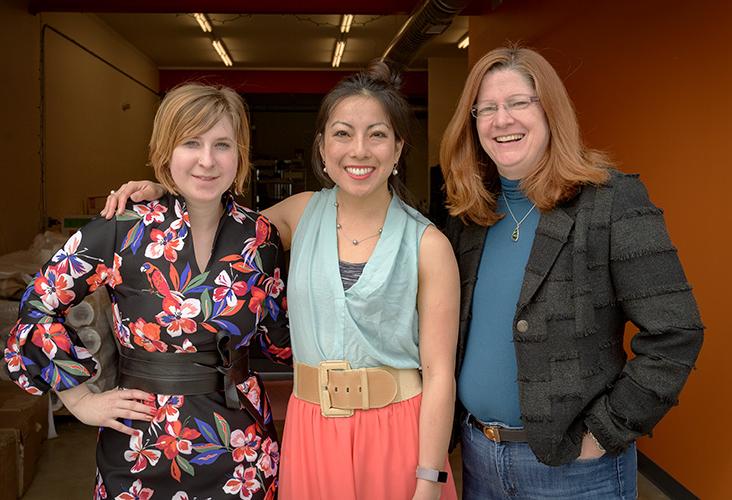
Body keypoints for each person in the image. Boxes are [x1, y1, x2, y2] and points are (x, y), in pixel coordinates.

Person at [103, 61, 460, 500]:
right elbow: (214, 227)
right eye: (343, 133)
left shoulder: (429, 244)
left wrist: (429, 479)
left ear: (399, 148)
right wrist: (168, 190)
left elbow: (441, 375)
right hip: (313, 433)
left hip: (397, 430)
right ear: (323, 148)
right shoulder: (300, 213)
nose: (360, 150)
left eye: (378, 134)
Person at [439, 44, 704, 499]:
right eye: (487, 109)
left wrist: (604, 433)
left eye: (519, 103)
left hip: (576, 472)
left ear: (551, 112)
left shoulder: (612, 201)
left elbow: (676, 332)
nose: (503, 120)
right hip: (479, 457)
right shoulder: (469, 216)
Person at [6, 83, 291, 499]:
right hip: (141, 443)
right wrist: (80, 400)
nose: (207, 160)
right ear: (165, 152)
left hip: (242, 445)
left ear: (240, 153)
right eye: (191, 142)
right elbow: (38, 306)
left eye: (222, 144)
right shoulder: (123, 228)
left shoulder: (260, 237)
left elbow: (280, 338)